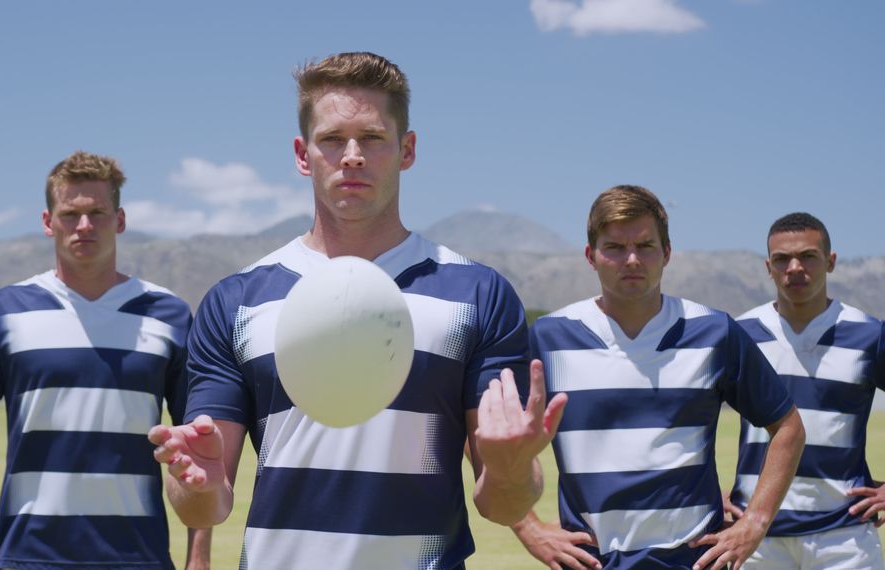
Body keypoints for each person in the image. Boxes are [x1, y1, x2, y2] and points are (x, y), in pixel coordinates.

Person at [148, 51, 566, 569]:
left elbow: (501, 504)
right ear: (303, 154)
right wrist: (197, 486)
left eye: (371, 138)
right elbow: (207, 503)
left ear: (406, 149)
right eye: (331, 140)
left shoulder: (475, 295)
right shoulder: (237, 302)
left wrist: (509, 471)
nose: (351, 155)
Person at [514, 185, 806, 569]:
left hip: (694, 561)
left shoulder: (714, 333)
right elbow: (486, 435)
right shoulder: (549, 339)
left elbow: (789, 427)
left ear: (667, 253)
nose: (631, 259)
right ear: (591, 256)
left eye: (645, 246)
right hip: (591, 562)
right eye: (615, 247)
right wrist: (528, 526)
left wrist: (755, 522)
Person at [0, 151, 207, 570]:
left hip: (138, 558)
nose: (84, 226)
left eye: (98, 213)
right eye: (70, 214)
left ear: (120, 220)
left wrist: (199, 558)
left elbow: (197, 447)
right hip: (28, 557)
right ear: (48, 222)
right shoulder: (3, 311)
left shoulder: (168, 315)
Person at [726, 212, 885, 568]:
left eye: (808, 256)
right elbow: (691, 413)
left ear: (830, 262)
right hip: (755, 538)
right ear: (769, 266)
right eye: (782, 259)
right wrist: (702, 491)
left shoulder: (870, 335)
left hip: (844, 538)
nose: (794, 267)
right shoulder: (739, 334)